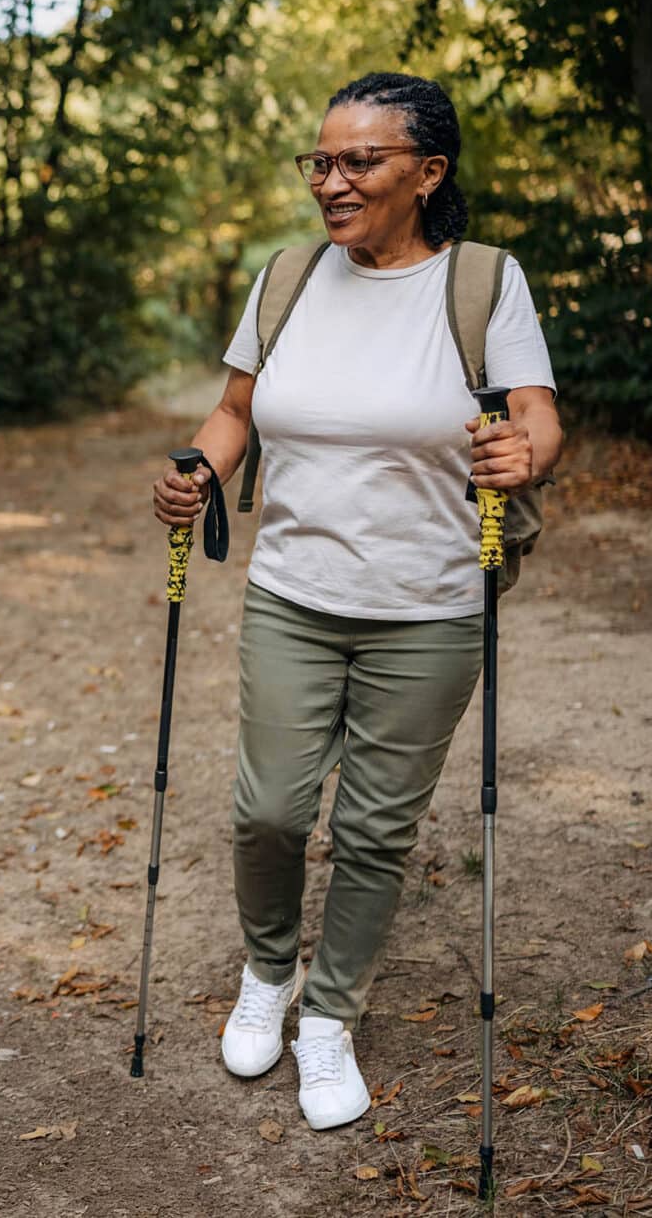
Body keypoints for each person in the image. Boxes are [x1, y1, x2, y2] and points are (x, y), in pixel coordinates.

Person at [152, 72, 561, 1131]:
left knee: (376, 829)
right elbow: (234, 408)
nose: (331, 182)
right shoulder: (287, 277)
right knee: (269, 809)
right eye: (320, 162)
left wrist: (524, 454)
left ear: (424, 174)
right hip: (294, 591)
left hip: (428, 605)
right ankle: (266, 972)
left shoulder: (480, 281)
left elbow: (533, 414)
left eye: (357, 161)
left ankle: (327, 1017)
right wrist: (196, 465)